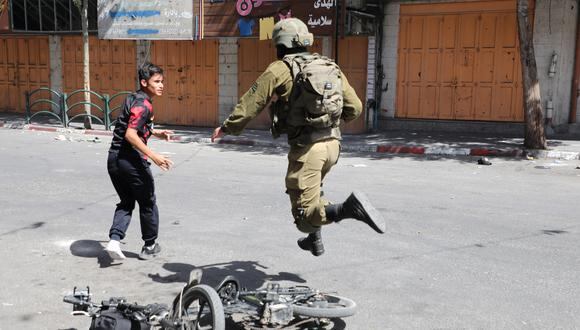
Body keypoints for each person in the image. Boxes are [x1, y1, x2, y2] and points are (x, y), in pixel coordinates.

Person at [211, 18, 385, 257]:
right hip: (333, 146)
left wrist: (227, 127)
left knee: (304, 217)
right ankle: (315, 241)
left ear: (279, 45)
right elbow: (354, 107)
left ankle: (348, 208)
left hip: (307, 150)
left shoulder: (279, 69)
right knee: (315, 191)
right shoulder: (327, 64)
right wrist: (327, 121)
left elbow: (251, 103)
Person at [104, 62, 174, 261]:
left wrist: (156, 133)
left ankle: (114, 241)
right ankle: (150, 245)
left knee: (126, 202)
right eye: (157, 82)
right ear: (144, 82)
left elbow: (136, 126)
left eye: (162, 81)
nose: (161, 85)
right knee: (147, 201)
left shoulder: (133, 98)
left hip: (114, 159)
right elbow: (131, 134)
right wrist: (155, 156)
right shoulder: (144, 105)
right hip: (131, 161)